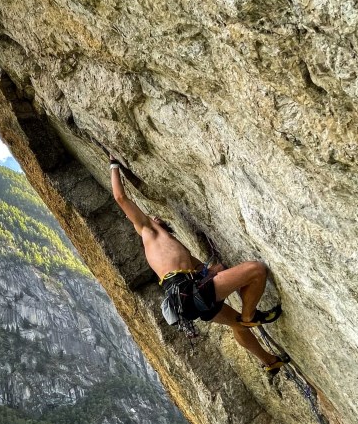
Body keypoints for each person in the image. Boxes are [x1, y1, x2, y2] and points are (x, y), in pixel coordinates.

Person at [109, 156, 287, 373]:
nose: (152, 215)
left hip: (189, 297)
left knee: (236, 324)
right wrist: (114, 165)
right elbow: (120, 197)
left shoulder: (173, 246)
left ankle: (270, 362)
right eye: (150, 216)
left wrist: (213, 272)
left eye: (155, 217)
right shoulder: (148, 232)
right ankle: (250, 315)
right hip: (187, 295)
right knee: (256, 270)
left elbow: (203, 270)